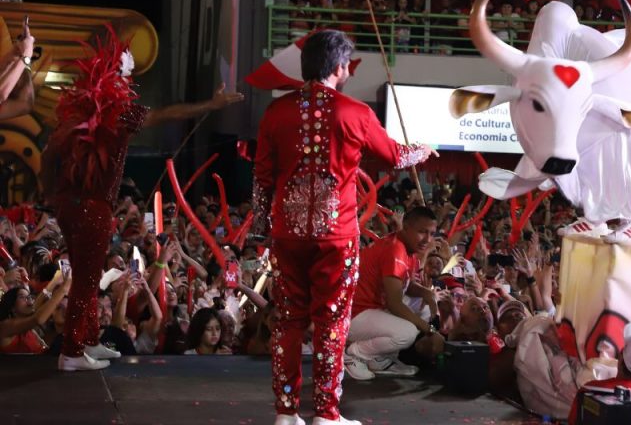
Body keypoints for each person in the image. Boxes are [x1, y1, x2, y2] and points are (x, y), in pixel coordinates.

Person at [251, 29, 437, 425]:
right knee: (331, 323)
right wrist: (423, 148)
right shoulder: (355, 113)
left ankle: (285, 413)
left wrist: (262, 230)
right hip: (336, 238)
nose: (349, 73)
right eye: (347, 66)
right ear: (338, 66)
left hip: (287, 235)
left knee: (288, 321)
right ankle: (326, 414)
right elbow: (394, 155)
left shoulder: (276, 112)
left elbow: (262, 177)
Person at [40, 31, 244, 372]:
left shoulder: (78, 112)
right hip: (93, 205)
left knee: (87, 277)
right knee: (88, 281)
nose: (128, 81)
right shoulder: (116, 112)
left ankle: (88, 340)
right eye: (125, 75)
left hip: (69, 202)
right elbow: (162, 115)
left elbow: (48, 154)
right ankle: (72, 353)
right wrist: (210, 105)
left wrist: (50, 193)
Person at [346, 206, 445, 380]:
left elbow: (405, 285)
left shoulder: (409, 249)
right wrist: (430, 330)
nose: (427, 239)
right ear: (405, 227)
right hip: (354, 314)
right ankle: (355, 355)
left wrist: (426, 294)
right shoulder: (395, 249)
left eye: (431, 233)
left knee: (424, 310)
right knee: (406, 332)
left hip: (372, 310)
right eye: (422, 232)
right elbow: (395, 303)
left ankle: (381, 360)